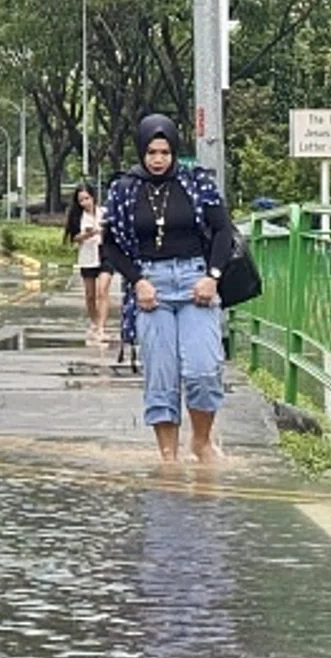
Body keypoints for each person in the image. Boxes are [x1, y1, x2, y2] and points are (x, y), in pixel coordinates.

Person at [101, 114, 235, 464]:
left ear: (174, 150)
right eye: (151, 152)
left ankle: (201, 442)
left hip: (195, 284)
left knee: (203, 369)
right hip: (151, 289)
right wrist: (137, 282)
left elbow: (223, 232)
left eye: (164, 151)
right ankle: (168, 457)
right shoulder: (125, 188)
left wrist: (213, 276)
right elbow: (111, 244)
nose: (158, 159)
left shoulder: (196, 182)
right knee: (161, 375)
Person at [64, 183, 110, 345]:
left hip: (105, 253)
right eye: (81, 200)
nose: (85, 202)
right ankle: (95, 322)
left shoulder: (104, 213)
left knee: (102, 291)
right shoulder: (78, 216)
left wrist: (103, 231)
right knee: (90, 294)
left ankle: (102, 328)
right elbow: (74, 238)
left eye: (87, 198)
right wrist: (85, 235)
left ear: (93, 197)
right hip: (87, 255)